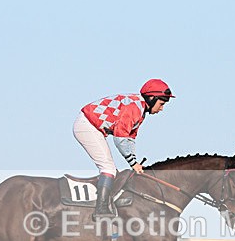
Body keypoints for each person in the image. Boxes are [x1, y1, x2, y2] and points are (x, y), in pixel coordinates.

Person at [73, 78, 176, 219]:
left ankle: (104, 204)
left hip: (92, 126)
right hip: (87, 126)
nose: (162, 108)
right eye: (161, 103)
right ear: (152, 98)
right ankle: (100, 210)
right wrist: (133, 163)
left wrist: (135, 162)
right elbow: (120, 138)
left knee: (112, 171)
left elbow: (130, 139)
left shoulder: (141, 110)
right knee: (108, 169)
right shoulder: (135, 107)